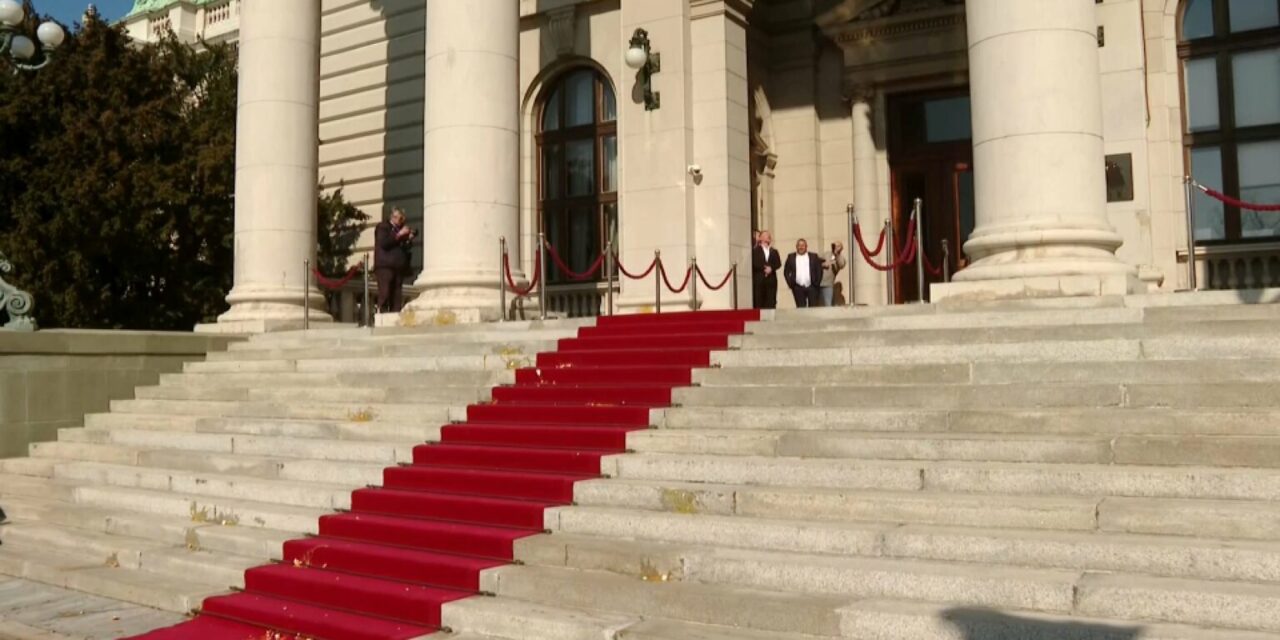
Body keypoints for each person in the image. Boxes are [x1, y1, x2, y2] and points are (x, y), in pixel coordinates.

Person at [373, 207, 415, 313]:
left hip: (398, 267)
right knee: (385, 292)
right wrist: (399, 235)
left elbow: (405, 248)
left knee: (396, 295)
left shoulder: (400, 230)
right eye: (397, 218)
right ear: (392, 217)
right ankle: (381, 315)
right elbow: (384, 243)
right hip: (385, 266)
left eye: (401, 219)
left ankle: (395, 315)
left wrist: (408, 239)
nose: (399, 221)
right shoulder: (383, 227)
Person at [784, 238, 824, 308]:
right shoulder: (791, 257)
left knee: (813, 309)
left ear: (806, 246)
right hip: (797, 287)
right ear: (796, 246)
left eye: (803, 245)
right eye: (799, 245)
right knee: (800, 309)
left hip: (812, 286)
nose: (801, 247)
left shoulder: (813, 256)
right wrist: (791, 284)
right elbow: (786, 272)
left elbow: (819, 270)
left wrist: (817, 283)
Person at [752, 230, 781, 309]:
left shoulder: (774, 251)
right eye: (766, 235)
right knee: (759, 300)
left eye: (769, 236)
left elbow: (778, 263)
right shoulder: (755, 251)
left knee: (771, 300)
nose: (768, 237)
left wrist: (771, 268)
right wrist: (765, 269)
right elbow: (754, 263)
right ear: (760, 238)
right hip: (759, 280)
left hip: (771, 280)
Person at [820, 241, 847, 307]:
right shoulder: (826, 254)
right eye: (835, 245)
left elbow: (841, 265)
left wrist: (836, 254)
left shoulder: (841, 258)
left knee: (827, 305)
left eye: (838, 246)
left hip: (828, 284)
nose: (836, 247)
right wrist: (822, 264)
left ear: (841, 248)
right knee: (817, 306)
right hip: (818, 283)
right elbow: (816, 261)